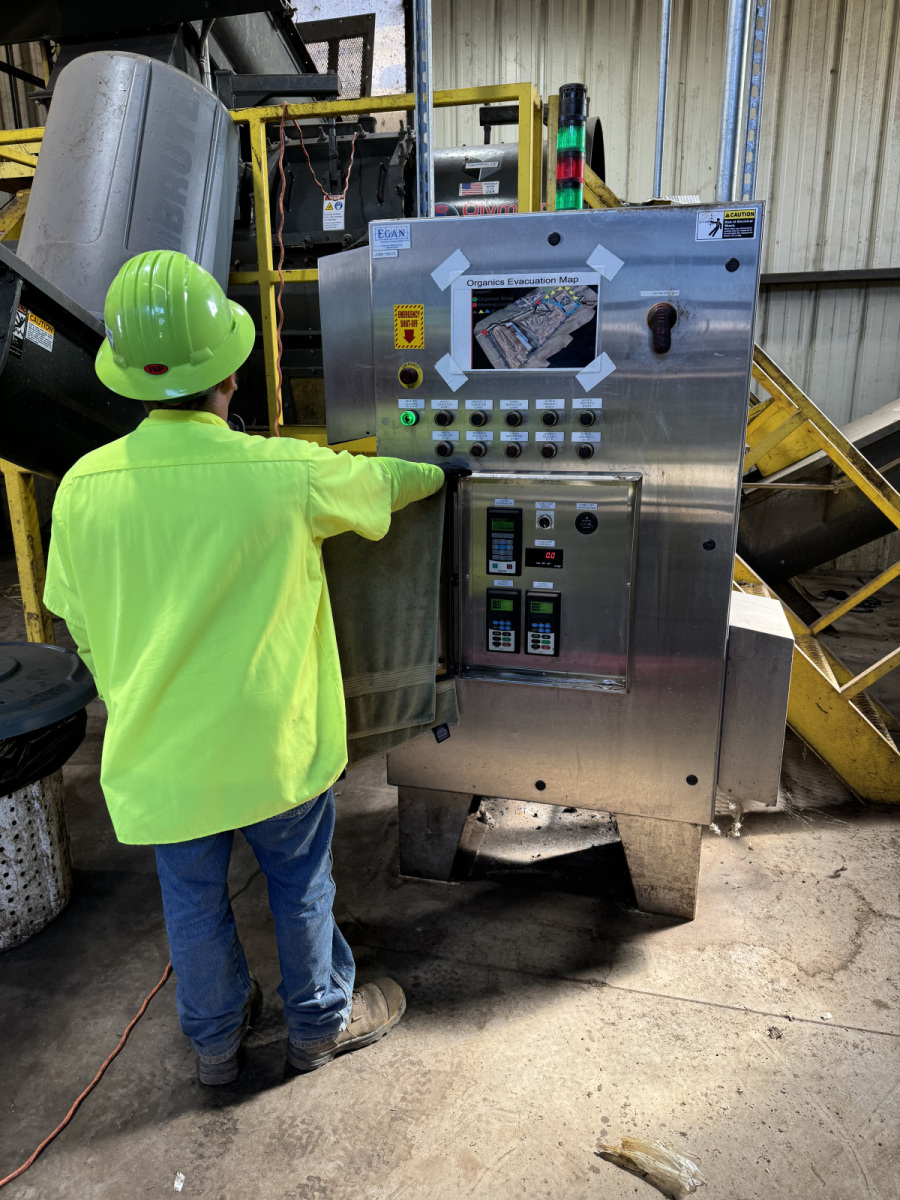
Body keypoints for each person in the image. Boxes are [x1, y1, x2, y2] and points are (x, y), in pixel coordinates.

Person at [43, 250, 445, 1086]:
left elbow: (75, 619)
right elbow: (379, 482)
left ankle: (216, 1046)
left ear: (129, 381)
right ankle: (319, 1025)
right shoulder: (282, 471)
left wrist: (131, 691)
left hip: (161, 755)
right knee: (300, 885)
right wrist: (439, 469)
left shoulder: (80, 489)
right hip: (274, 748)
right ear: (228, 377)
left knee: (192, 901)